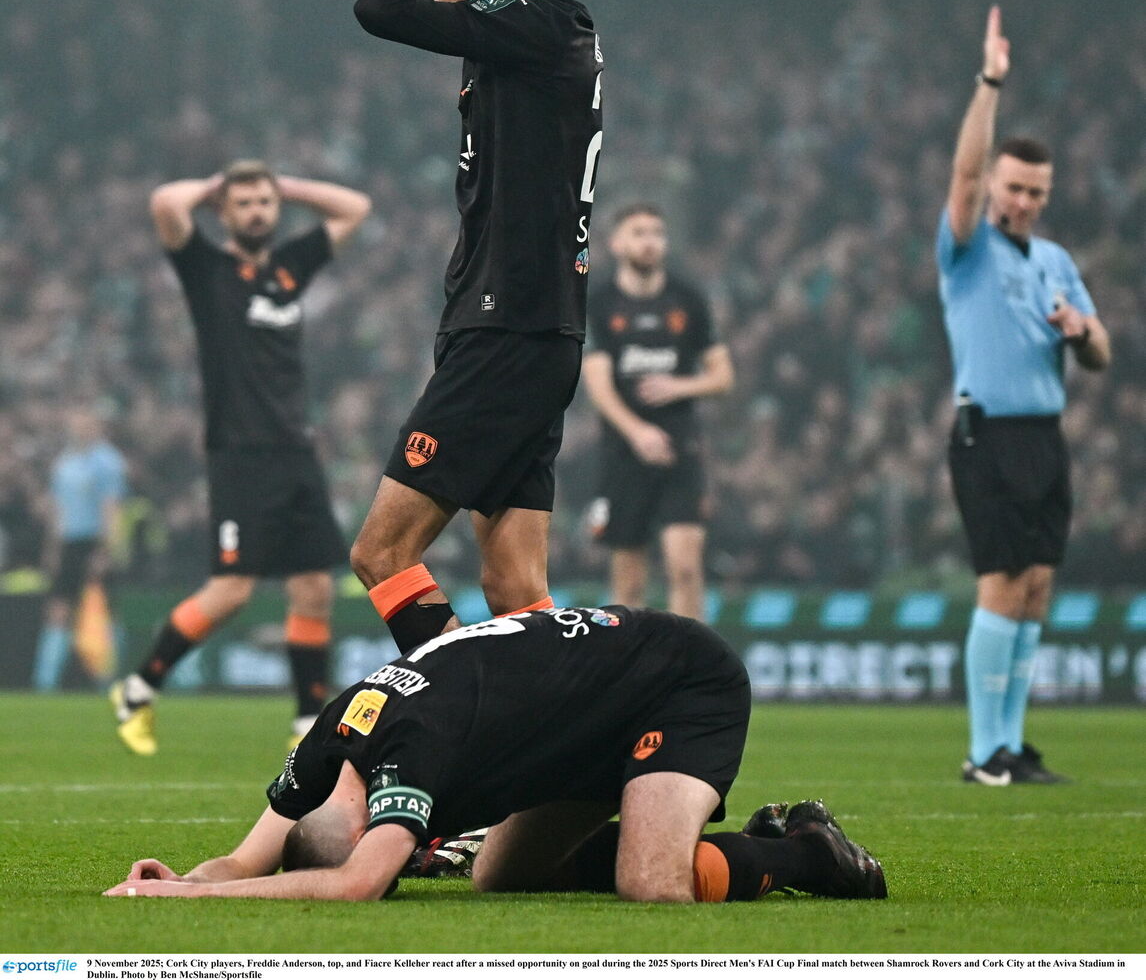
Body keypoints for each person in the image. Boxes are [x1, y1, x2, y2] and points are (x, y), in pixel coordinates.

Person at [103, 605, 886, 903]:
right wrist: (186, 874)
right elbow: (245, 862)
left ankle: (809, 856)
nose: (404, 852)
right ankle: (701, 835)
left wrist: (190, 904)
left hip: (674, 681)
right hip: (575, 729)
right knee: (500, 876)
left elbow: (354, 883)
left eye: (389, 837)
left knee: (650, 884)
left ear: (362, 809)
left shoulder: (411, 741)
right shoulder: (328, 749)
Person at [349, 0, 603, 654]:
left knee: (382, 553)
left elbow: (380, 9)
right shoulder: (516, 50)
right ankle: (561, 758)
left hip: (508, 330)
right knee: (515, 588)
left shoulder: (547, 26)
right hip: (522, 329)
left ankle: (462, 719)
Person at [110, 161, 371, 755]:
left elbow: (355, 207)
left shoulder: (288, 267)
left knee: (315, 589)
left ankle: (307, 722)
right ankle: (138, 687)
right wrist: (215, 184)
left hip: (296, 451)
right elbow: (164, 201)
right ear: (224, 212)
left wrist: (286, 185)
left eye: (265, 202)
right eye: (245, 203)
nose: (258, 211)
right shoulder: (206, 270)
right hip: (239, 453)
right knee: (232, 590)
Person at [938, 6, 1111, 786]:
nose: (1023, 202)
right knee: (1002, 584)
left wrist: (1081, 330)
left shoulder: (1055, 261)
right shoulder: (967, 249)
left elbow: (1102, 354)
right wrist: (990, 82)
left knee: (1037, 586)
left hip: (1045, 433)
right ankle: (982, 751)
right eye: (1014, 187)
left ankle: (1010, 741)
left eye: (1036, 191)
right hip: (988, 432)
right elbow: (964, 176)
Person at [583, 205, 734, 621]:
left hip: (680, 448)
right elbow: (597, 381)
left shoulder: (688, 299)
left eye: (656, 233)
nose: (649, 241)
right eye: (639, 232)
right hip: (624, 451)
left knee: (685, 569)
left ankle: (691, 675)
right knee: (628, 581)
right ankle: (628, 676)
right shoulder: (599, 302)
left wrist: (680, 385)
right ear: (617, 243)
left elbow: (723, 376)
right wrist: (637, 434)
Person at [32, 408, 127, 691]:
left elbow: (111, 507)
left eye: (87, 423)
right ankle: (44, 682)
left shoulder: (107, 462)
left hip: (93, 541)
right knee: (58, 610)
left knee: (100, 611)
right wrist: (53, 548)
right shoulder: (65, 461)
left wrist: (106, 549)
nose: (81, 429)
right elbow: (58, 510)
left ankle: (106, 677)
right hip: (69, 543)